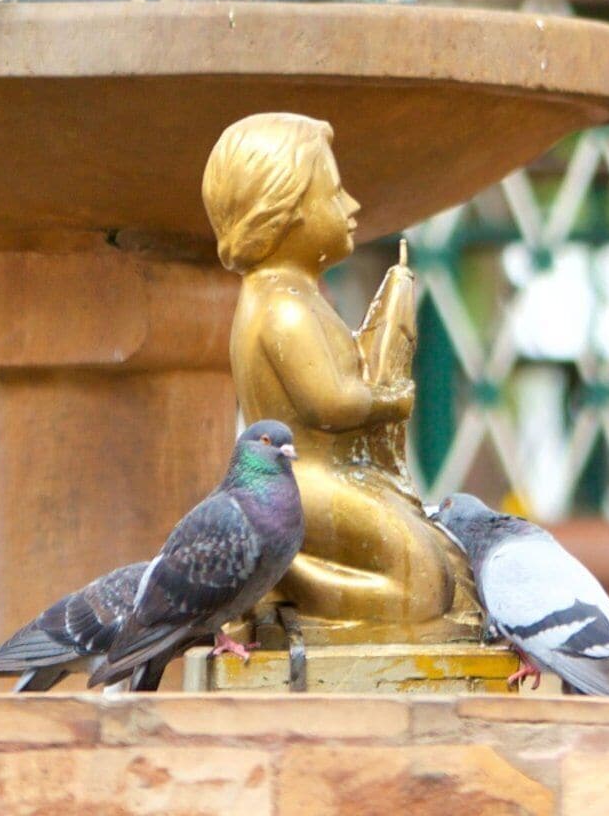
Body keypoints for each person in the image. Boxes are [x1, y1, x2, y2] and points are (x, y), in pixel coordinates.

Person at [203, 112, 475, 637]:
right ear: (281, 216)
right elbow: (330, 406)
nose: (351, 206)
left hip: (332, 475)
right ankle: (282, 581)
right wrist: (387, 399)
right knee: (422, 589)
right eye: (333, 194)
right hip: (308, 481)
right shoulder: (283, 308)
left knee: (442, 561)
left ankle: (274, 575)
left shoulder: (295, 294)